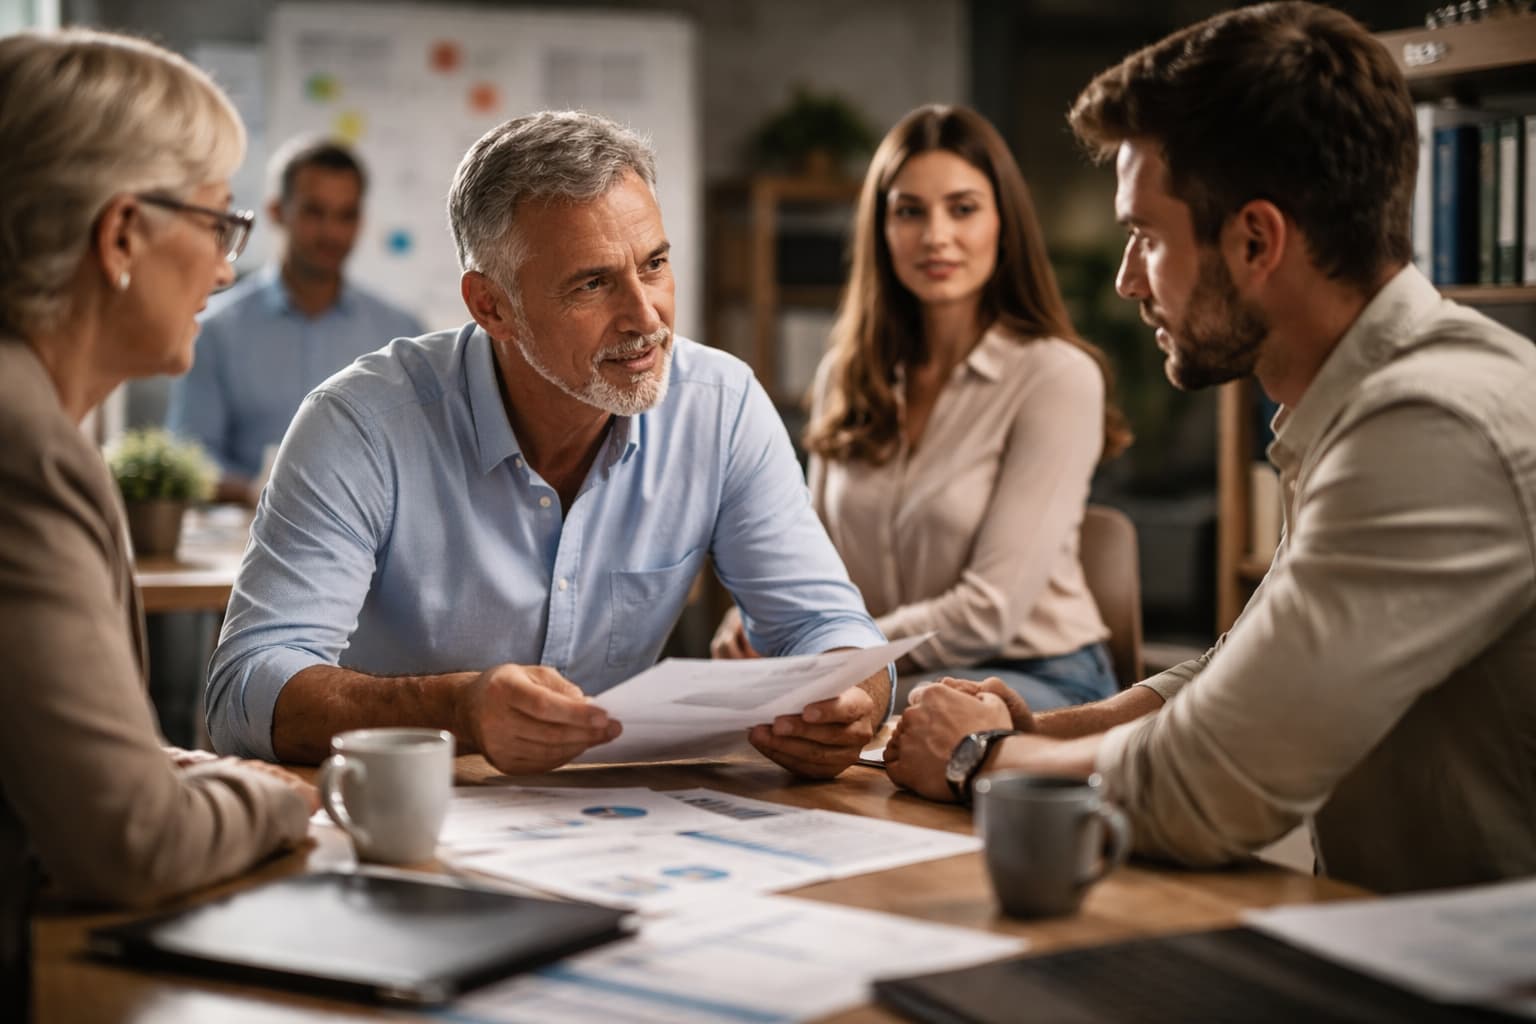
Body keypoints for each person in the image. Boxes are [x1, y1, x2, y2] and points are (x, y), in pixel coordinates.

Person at [885, 0, 1536, 895]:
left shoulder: (1430, 427)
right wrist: (1049, 730)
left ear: (1257, 239)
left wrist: (978, 758)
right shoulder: (1366, 401)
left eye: (1146, 237)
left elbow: (1207, 792)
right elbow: (1248, 665)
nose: (1125, 280)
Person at [206, 110, 891, 780]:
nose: (646, 317)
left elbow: (829, 626)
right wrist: (456, 709)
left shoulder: (721, 405)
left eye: (653, 264)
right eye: (592, 284)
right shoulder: (359, 423)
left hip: (624, 830)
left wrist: (850, 700)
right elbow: (245, 688)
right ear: (491, 306)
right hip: (414, 821)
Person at [0, 28, 317, 1016]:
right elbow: (133, 845)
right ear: (122, 234)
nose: (226, 272)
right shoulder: (25, 447)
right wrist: (277, 791)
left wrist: (156, 772)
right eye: (219, 225)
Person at [712, 104, 1132, 713]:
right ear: (881, 231)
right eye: (910, 211)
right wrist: (754, 618)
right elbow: (811, 556)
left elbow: (989, 612)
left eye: (962, 208)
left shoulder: (1056, 377)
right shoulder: (845, 376)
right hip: (881, 671)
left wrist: (834, 653)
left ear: (1004, 225)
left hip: (1036, 679)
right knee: (770, 726)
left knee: (851, 714)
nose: (936, 235)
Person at [165, 136, 424, 505]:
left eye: (346, 215)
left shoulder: (401, 334)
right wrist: (266, 493)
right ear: (276, 212)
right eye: (314, 212)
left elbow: (421, 454)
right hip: (246, 535)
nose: (331, 233)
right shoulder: (215, 330)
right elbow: (189, 457)